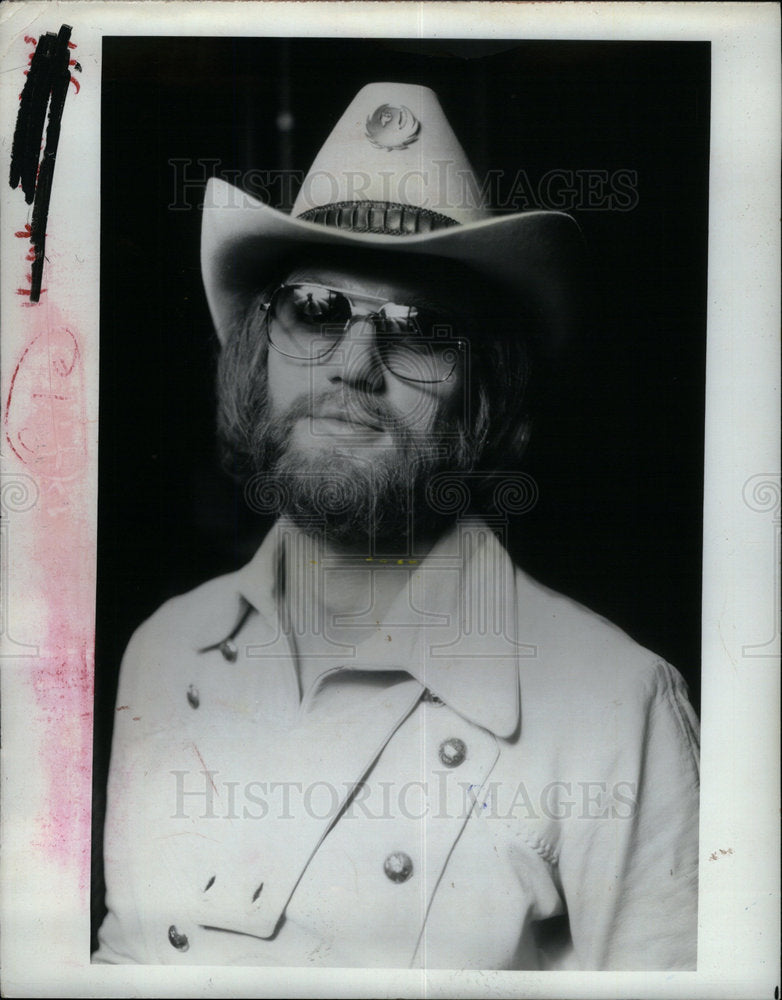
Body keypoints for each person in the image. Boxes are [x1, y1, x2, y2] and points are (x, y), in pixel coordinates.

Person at [94, 82, 699, 970]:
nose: (353, 366)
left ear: (484, 396)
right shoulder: (165, 648)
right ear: (258, 359)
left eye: (417, 329)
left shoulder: (615, 705)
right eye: (315, 309)